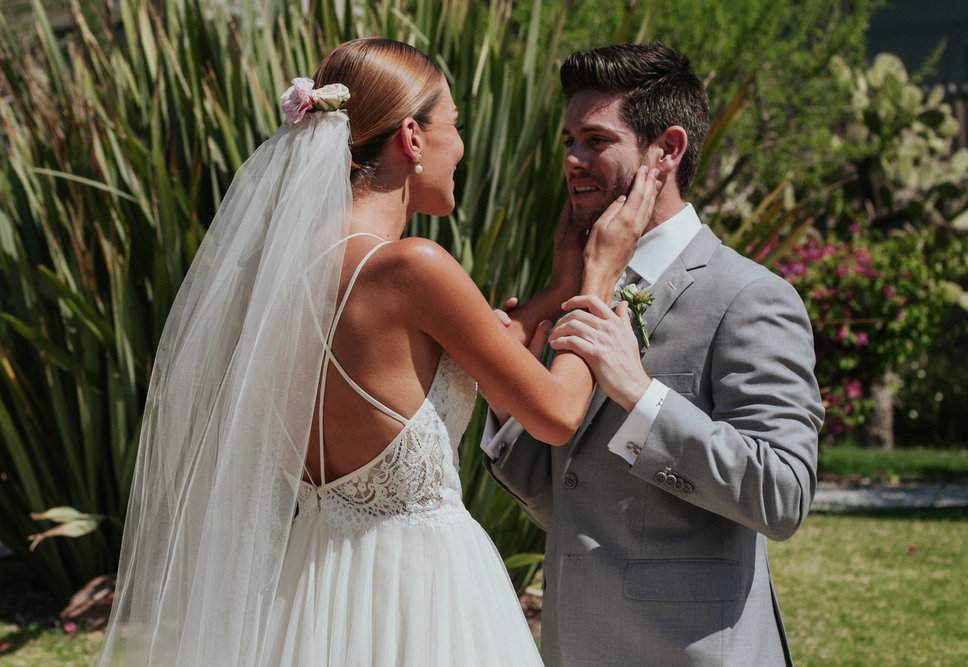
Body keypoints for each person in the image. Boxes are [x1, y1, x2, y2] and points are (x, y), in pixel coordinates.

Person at [97, 38, 659, 666]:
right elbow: (555, 414)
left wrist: (553, 292)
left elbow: (438, 359)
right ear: (413, 139)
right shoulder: (413, 268)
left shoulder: (275, 276)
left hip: (314, 593)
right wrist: (597, 280)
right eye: (455, 126)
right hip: (421, 593)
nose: (462, 147)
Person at [482, 42, 824, 666]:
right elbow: (571, 495)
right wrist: (509, 400)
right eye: (568, 141)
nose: (573, 161)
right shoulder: (584, 287)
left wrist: (639, 395)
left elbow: (783, 494)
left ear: (665, 151)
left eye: (595, 140)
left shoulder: (749, 298)